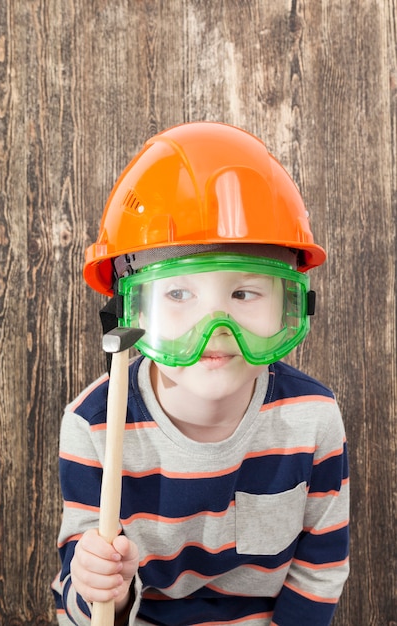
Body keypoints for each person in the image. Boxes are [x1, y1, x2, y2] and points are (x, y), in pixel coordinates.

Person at [52, 122, 349, 626]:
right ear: (130, 311)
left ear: (289, 306)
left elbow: (319, 573)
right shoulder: (94, 426)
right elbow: (82, 608)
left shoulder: (313, 420)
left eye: (244, 294)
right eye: (178, 294)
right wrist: (105, 589)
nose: (215, 329)